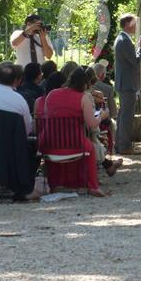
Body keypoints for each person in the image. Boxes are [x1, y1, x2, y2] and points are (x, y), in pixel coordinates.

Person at [44, 67, 112, 196]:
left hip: (50, 142)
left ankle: (54, 184)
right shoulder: (83, 98)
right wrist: (102, 116)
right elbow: (92, 124)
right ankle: (93, 186)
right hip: (75, 143)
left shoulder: (52, 94)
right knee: (90, 147)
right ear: (85, 84)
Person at [113, 13, 141, 156]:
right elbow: (135, 61)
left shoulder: (122, 39)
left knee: (122, 115)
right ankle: (125, 146)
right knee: (126, 116)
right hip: (127, 84)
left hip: (124, 83)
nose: (136, 26)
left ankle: (120, 145)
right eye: (134, 23)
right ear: (127, 23)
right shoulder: (124, 41)